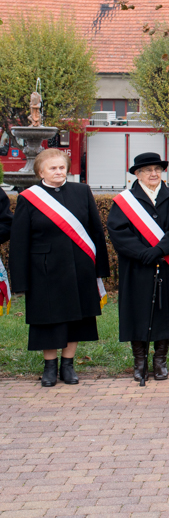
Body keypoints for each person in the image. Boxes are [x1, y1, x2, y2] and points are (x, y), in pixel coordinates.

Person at [9, 148, 110, 387]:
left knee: (78, 318)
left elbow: (96, 231)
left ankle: (68, 365)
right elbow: (20, 241)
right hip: (44, 270)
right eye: (52, 168)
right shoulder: (29, 197)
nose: (58, 172)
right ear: (41, 171)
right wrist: (20, 281)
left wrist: (100, 270)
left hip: (79, 267)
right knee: (48, 320)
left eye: (62, 167)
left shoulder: (82, 191)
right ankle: (49, 367)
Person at [107, 153, 169, 384]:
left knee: (164, 312)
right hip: (136, 267)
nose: (153, 174)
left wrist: (157, 251)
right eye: (147, 170)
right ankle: (139, 362)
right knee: (138, 313)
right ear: (137, 174)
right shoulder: (124, 201)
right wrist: (142, 253)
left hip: (166, 265)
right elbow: (118, 233)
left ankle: (160, 361)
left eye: (157, 169)